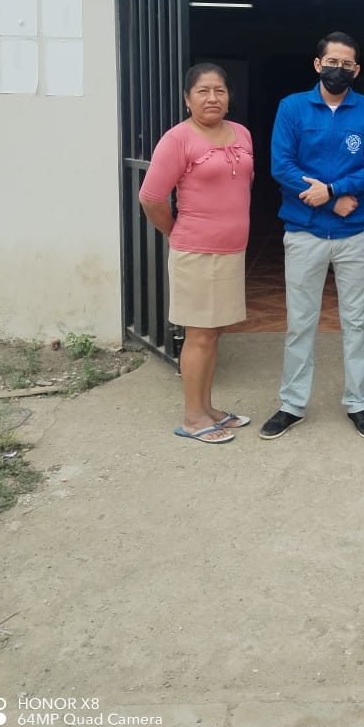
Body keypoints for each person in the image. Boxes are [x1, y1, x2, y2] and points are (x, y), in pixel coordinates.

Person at [260, 32, 364, 440]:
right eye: (332, 62)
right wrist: (328, 201)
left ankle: (358, 402)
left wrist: (335, 189)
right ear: (318, 65)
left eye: (347, 64)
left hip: (357, 233)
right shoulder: (293, 107)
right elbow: (281, 165)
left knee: (358, 321)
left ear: (357, 70)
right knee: (300, 322)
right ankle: (292, 403)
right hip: (305, 231)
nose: (339, 69)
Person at [139, 63, 254, 444]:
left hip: (231, 250)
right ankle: (192, 418)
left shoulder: (241, 134)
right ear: (187, 99)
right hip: (196, 251)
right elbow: (151, 197)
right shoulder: (178, 139)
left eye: (219, 90)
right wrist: (176, 232)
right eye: (203, 91)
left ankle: (208, 409)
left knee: (214, 331)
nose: (212, 98)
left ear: (229, 96)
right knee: (199, 334)